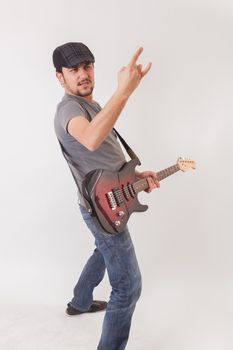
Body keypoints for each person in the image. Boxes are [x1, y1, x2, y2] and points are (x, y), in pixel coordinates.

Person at [52, 42, 160, 350]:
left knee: (104, 249)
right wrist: (125, 91)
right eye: (74, 70)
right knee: (128, 287)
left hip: (109, 198)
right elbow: (89, 139)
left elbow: (104, 155)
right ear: (60, 77)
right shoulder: (69, 110)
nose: (83, 75)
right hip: (100, 208)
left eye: (87, 66)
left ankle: (79, 302)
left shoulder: (93, 105)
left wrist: (134, 178)